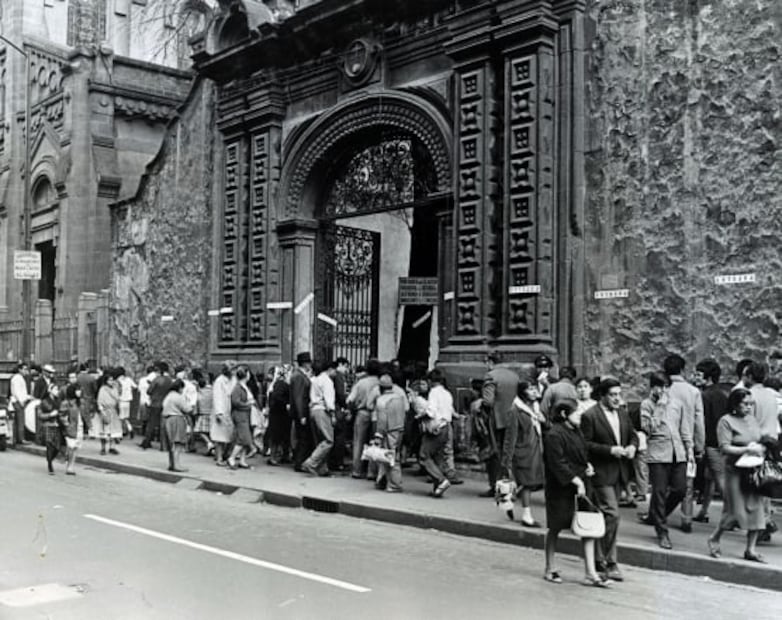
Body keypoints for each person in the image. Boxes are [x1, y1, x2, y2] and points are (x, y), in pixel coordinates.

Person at [543, 399, 609, 587]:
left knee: (587, 527)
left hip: (581, 485)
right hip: (561, 488)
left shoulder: (576, 431)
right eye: (576, 412)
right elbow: (557, 463)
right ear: (564, 414)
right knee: (556, 527)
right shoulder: (553, 435)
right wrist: (576, 480)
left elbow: (581, 453)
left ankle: (591, 572)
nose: (580, 415)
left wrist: (587, 466)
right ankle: (550, 568)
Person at [581, 377, 638, 582]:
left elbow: (633, 435)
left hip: (619, 472)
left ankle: (599, 558)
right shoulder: (590, 416)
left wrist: (632, 446)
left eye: (618, 394)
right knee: (612, 514)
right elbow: (585, 445)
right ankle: (609, 561)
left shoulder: (622, 413)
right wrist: (609, 450)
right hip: (600, 473)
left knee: (605, 516)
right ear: (602, 396)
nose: (617, 398)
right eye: (612, 395)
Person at [707, 388, 768, 562]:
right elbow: (724, 447)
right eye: (745, 404)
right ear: (735, 404)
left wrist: (762, 448)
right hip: (734, 471)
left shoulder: (752, 420)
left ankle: (751, 549)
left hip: (753, 470)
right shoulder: (726, 421)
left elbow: (758, 438)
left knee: (757, 509)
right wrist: (746, 449)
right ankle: (715, 538)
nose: (749, 407)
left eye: (751, 404)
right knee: (734, 510)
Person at [502, 381, 547, 527]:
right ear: (523, 392)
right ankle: (527, 516)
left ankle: (510, 499)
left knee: (534, 483)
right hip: (523, 451)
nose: (534, 392)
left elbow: (545, 428)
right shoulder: (515, 410)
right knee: (527, 484)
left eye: (535, 388)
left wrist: (544, 421)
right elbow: (511, 436)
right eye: (530, 389)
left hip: (536, 450)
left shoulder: (535, 407)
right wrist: (507, 460)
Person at [411, 369, 458, 497]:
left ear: (431, 381)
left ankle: (441, 480)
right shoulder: (447, 394)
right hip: (446, 426)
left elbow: (431, 411)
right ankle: (437, 487)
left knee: (424, 455)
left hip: (435, 427)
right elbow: (450, 412)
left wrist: (420, 415)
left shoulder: (433, 393)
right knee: (438, 456)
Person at [480, 350, 520, 498]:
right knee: (510, 453)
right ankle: (513, 485)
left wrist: (480, 403)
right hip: (513, 419)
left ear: (490, 362)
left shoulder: (491, 376)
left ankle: (496, 486)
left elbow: (488, 401)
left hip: (497, 420)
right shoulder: (514, 376)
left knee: (494, 453)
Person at [693, 359, 728, 523]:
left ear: (708, 377)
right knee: (710, 479)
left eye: (699, 374)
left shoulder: (704, 396)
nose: (695, 377)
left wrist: (700, 444)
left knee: (719, 481)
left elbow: (703, 422)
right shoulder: (722, 394)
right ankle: (703, 511)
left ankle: (734, 514)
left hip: (710, 443)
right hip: (721, 441)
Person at [373, 370, 408, 493]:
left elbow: (382, 420)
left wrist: (378, 435)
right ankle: (382, 481)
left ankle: (394, 484)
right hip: (400, 429)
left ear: (380, 387)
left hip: (389, 431)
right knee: (394, 456)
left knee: (390, 458)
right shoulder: (399, 398)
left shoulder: (381, 400)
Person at [347, 358, 381, 479]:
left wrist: (351, 409)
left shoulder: (361, 383)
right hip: (377, 414)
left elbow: (350, 399)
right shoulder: (381, 383)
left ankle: (357, 470)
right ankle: (372, 472)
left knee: (358, 442)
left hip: (362, 413)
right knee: (374, 442)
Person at [301, 361, 337, 476]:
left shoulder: (315, 380)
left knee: (319, 441)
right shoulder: (327, 381)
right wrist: (333, 414)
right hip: (322, 410)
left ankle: (322, 468)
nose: (335, 373)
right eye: (334, 370)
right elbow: (329, 400)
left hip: (313, 410)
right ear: (329, 369)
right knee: (328, 440)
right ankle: (311, 462)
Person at [162, 378, 195, 472]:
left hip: (167, 419)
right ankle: (177, 465)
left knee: (171, 444)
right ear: (180, 388)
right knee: (178, 443)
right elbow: (187, 409)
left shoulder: (168, 396)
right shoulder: (178, 397)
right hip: (177, 419)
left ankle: (172, 464)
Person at [290, 352, 314, 472]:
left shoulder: (298, 375)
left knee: (302, 437)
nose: (310, 365)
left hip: (301, 411)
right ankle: (299, 463)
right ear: (305, 364)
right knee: (303, 438)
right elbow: (298, 397)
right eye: (309, 362)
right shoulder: (299, 376)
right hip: (302, 412)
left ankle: (299, 461)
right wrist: (302, 415)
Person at [140, 362, 173, 450]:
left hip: (155, 403)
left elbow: (149, 391)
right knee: (164, 425)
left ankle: (146, 442)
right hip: (166, 404)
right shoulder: (170, 380)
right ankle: (164, 445)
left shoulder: (157, 379)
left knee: (151, 424)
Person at [227, 367, 255, 470]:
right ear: (246, 375)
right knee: (244, 438)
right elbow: (235, 402)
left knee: (245, 438)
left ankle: (242, 460)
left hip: (245, 414)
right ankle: (232, 458)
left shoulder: (243, 386)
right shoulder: (238, 388)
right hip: (240, 414)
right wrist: (247, 405)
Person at [328, 357, 351, 472]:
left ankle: (334, 461)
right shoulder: (338, 377)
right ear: (341, 364)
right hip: (338, 409)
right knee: (340, 436)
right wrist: (345, 407)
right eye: (346, 366)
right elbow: (341, 395)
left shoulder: (332, 376)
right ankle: (338, 462)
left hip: (333, 407)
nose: (347, 370)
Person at [266, 365, 291, 465]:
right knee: (277, 437)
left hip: (278, 414)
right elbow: (277, 397)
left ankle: (280, 455)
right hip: (279, 415)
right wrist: (286, 404)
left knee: (280, 436)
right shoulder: (281, 384)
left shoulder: (277, 383)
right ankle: (274, 457)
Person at [211, 364, 235, 466]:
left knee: (229, 435)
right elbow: (217, 397)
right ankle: (219, 457)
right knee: (219, 436)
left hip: (230, 410)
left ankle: (226, 454)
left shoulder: (233, 380)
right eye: (233, 369)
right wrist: (219, 412)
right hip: (222, 410)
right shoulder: (219, 381)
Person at [61, 381, 87, 475]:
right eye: (78, 390)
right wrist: (66, 424)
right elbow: (62, 415)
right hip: (71, 427)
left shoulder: (81, 402)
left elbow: (84, 415)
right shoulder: (66, 403)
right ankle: (69, 467)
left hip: (79, 427)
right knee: (71, 446)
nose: (80, 392)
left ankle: (71, 464)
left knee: (75, 447)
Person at [38, 383, 64, 475]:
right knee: (49, 446)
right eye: (56, 389)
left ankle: (50, 459)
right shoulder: (44, 402)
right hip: (48, 425)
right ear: (50, 390)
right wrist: (50, 415)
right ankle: (50, 465)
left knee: (57, 447)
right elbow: (40, 415)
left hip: (57, 426)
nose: (57, 391)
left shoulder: (59, 401)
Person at [192, 371, 215, 455]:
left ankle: (209, 443)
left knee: (199, 431)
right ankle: (211, 446)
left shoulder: (199, 394)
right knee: (211, 432)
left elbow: (196, 404)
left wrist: (195, 412)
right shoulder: (212, 391)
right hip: (212, 413)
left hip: (203, 413)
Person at [9, 362, 31, 446]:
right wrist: (21, 401)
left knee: (18, 420)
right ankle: (21, 439)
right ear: (20, 369)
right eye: (24, 369)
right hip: (18, 401)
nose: (26, 371)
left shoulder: (19, 378)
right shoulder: (17, 378)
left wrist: (28, 397)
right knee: (20, 420)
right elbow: (17, 392)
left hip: (18, 400)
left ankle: (16, 439)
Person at [116, 367, 136, 438]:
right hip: (128, 401)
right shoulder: (129, 379)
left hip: (121, 400)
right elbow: (135, 387)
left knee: (120, 418)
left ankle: (120, 432)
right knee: (126, 417)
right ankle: (130, 428)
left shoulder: (118, 380)